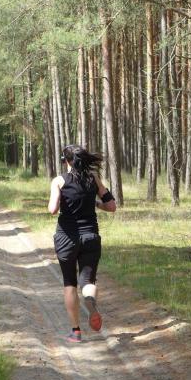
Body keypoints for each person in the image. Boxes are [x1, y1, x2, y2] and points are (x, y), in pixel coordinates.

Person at [47, 144, 117, 343]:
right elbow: (111, 206)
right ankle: (90, 300)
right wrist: (95, 203)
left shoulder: (59, 181)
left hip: (66, 239)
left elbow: (53, 209)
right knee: (88, 281)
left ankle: (76, 332)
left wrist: (60, 200)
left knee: (70, 283)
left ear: (67, 161)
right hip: (90, 237)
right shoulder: (93, 178)